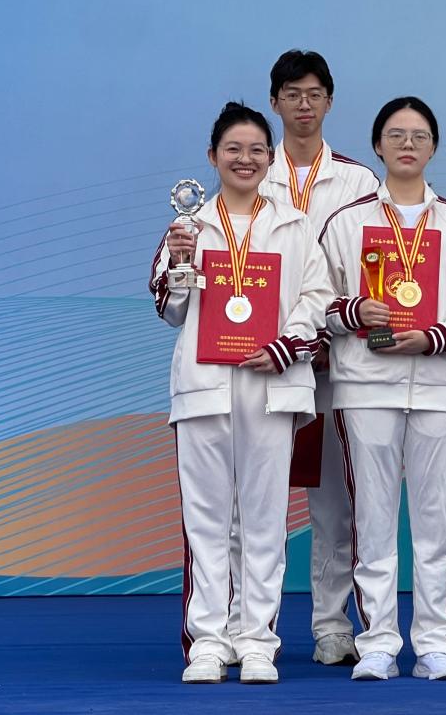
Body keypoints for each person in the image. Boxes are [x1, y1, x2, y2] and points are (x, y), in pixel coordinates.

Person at [149, 102, 333, 684]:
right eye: (233, 149)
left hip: (271, 386)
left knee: (264, 519)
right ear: (213, 157)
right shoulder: (189, 227)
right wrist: (180, 265)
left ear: (270, 159)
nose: (245, 159)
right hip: (204, 386)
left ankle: (256, 641)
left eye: (256, 150)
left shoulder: (295, 226)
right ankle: (208, 641)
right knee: (206, 521)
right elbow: (169, 308)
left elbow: (317, 298)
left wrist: (285, 345)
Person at [319, 96, 446, 681]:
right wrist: (353, 310)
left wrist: (435, 338)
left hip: (441, 386)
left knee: (437, 520)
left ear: (435, 148)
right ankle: (377, 642)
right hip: (366, 385)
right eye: (396, 134)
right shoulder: (347, 222)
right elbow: (316, 301)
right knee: (371, 518)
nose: (408, 144)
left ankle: (435, 642)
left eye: (419, 135)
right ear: (378, 145)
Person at [254, 49, 379, 667]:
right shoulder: (253, 173)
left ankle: (333, 625)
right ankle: (246, 627)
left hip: (338, 362)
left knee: (335, 503)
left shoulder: (359, 182)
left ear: (330, 101)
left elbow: (375, 271)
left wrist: (341, 332)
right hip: (264, 362)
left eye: (314, 94)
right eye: (292, 94)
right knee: (256, 502)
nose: (303, 105)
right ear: (274, 101)